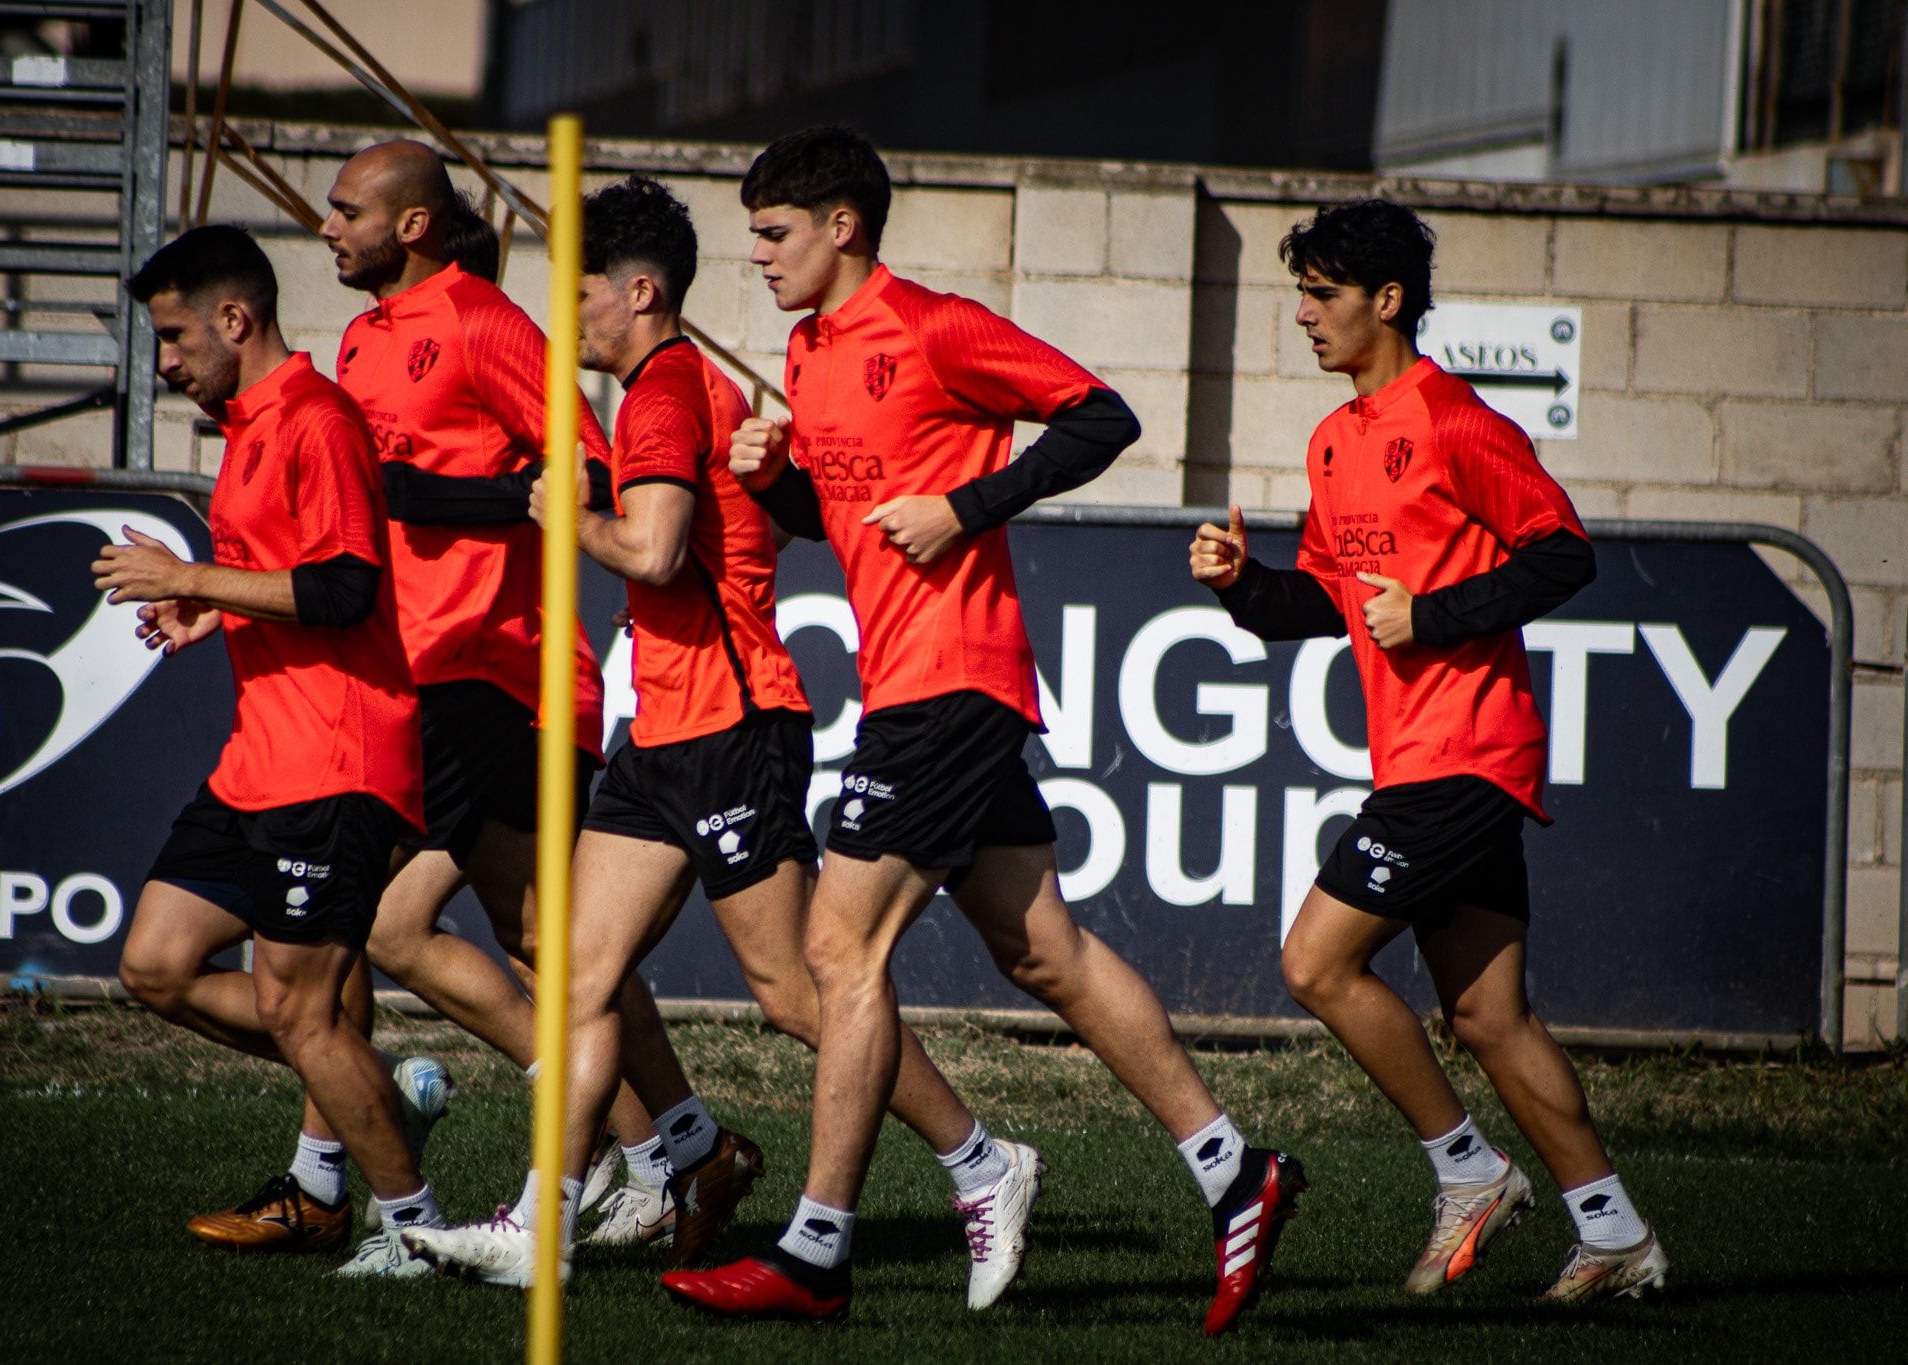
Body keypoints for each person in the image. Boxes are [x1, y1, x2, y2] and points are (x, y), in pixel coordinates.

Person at [660, 127, 1304, 1333]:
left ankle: (814, 1251)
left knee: (836, 954)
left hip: (951, 683)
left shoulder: (935, 326)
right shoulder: (804, 351)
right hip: (915, 685)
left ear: (842, 225)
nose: (756, 255)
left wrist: (965, 505)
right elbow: (832, 518)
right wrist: (767, 480)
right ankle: (1235, 1170)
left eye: (773, 231)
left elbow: (1099, 418)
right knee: (1041, 951)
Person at [405, 175, 1042, 1306]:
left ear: (639, 292)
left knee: (800, 996)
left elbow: (651, 553)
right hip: (665, 735)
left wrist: (569, 520)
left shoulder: (661, 393)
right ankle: (540, 1222)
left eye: (582, 293)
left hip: (736, 731)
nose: (570, 319)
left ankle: (980, 1161)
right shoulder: (668, 386)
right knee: (574, 973)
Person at [1189, 198, 1667, 1304]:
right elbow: (1322, 604)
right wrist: (1236, 587)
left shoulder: (1457, 421)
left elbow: (1561, 558)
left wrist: (1437, 616)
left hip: (1468, 751)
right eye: (1298, 293)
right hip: (1413, 760)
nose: (1302, 315)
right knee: (1488, 1017)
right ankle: (1613, 1233)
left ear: (1386, 301)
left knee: (1312, 962)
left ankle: (1466, 1170)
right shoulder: (1330, 439)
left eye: (1322, 294)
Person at [313, 140, 742, 1270]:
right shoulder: (360, 339)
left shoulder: (487, 325)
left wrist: (427, 494)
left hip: (509, 677)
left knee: (372, 918)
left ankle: (364, 1196)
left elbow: (580, 476)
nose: (326, 225)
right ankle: (670, 1147)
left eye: (345, 208)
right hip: (413, 671)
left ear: (412, 225)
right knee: (523, 940)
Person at [102, 224, 445, 1268]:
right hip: (260, 760)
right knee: (155, 966)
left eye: (172, 338)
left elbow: (346, 589)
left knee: (304, 1012)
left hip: (338, 766)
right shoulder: (250, 423)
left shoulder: (315, 417)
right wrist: (214, 609)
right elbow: (282, 573)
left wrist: (191, 580)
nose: (164, 363)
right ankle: (375, 1095)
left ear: (234, 320)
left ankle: (413, 1234)